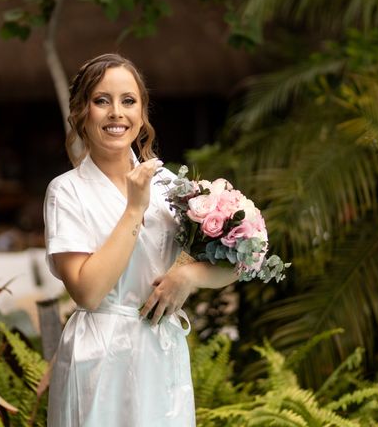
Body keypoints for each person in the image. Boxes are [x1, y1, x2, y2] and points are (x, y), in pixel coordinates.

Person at [43, 53, 237, 426]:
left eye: (128, 101)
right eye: (102, 101)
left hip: (161, 350)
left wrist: (188, 277)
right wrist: (134, 209)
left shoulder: (170, 186)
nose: (117, 112)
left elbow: (232, 263)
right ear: (83, 112)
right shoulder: (66, 192)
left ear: (143, 113)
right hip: (98, 356)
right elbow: (87, 292)